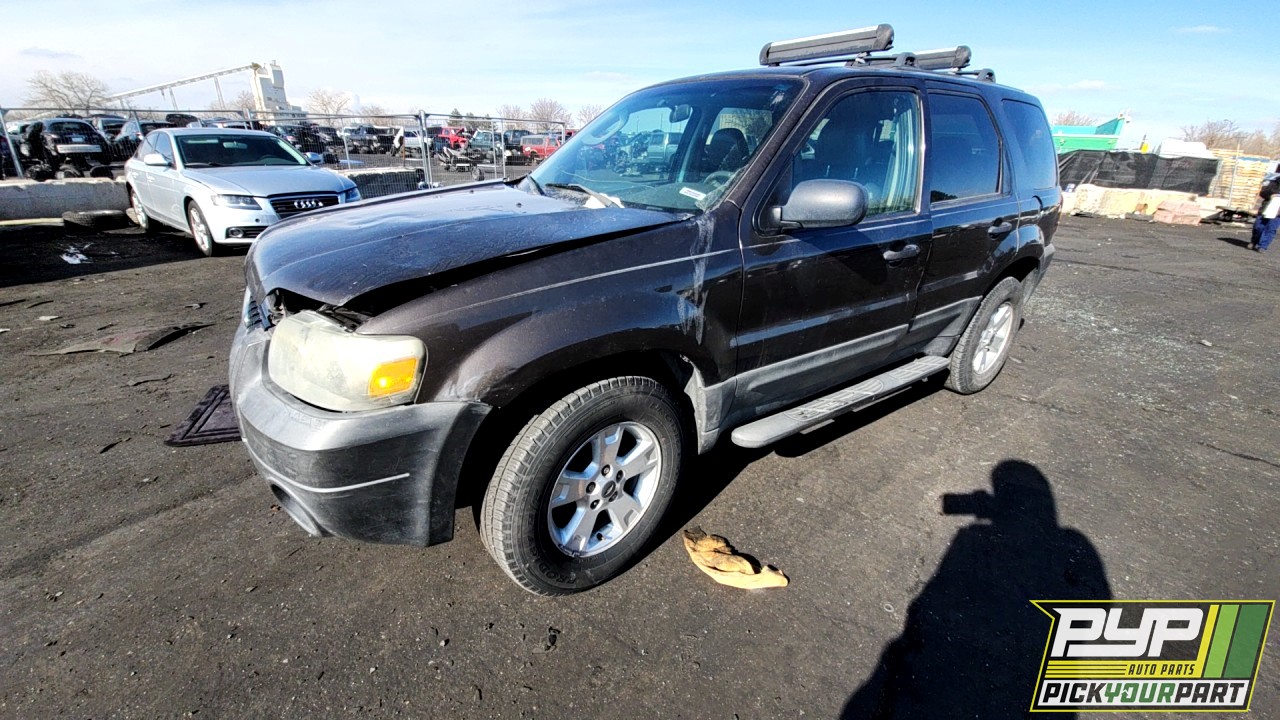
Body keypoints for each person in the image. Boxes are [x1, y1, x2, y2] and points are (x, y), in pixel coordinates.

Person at [1250, 174, 1279, 252]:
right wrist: (1272, 195)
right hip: (1265, 209)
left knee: (1270, 228)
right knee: (1258, 227)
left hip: (1278, 213)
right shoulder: (1274, 183)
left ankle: (1263, 246)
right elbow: (1263, 192)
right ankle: (1254, 241)